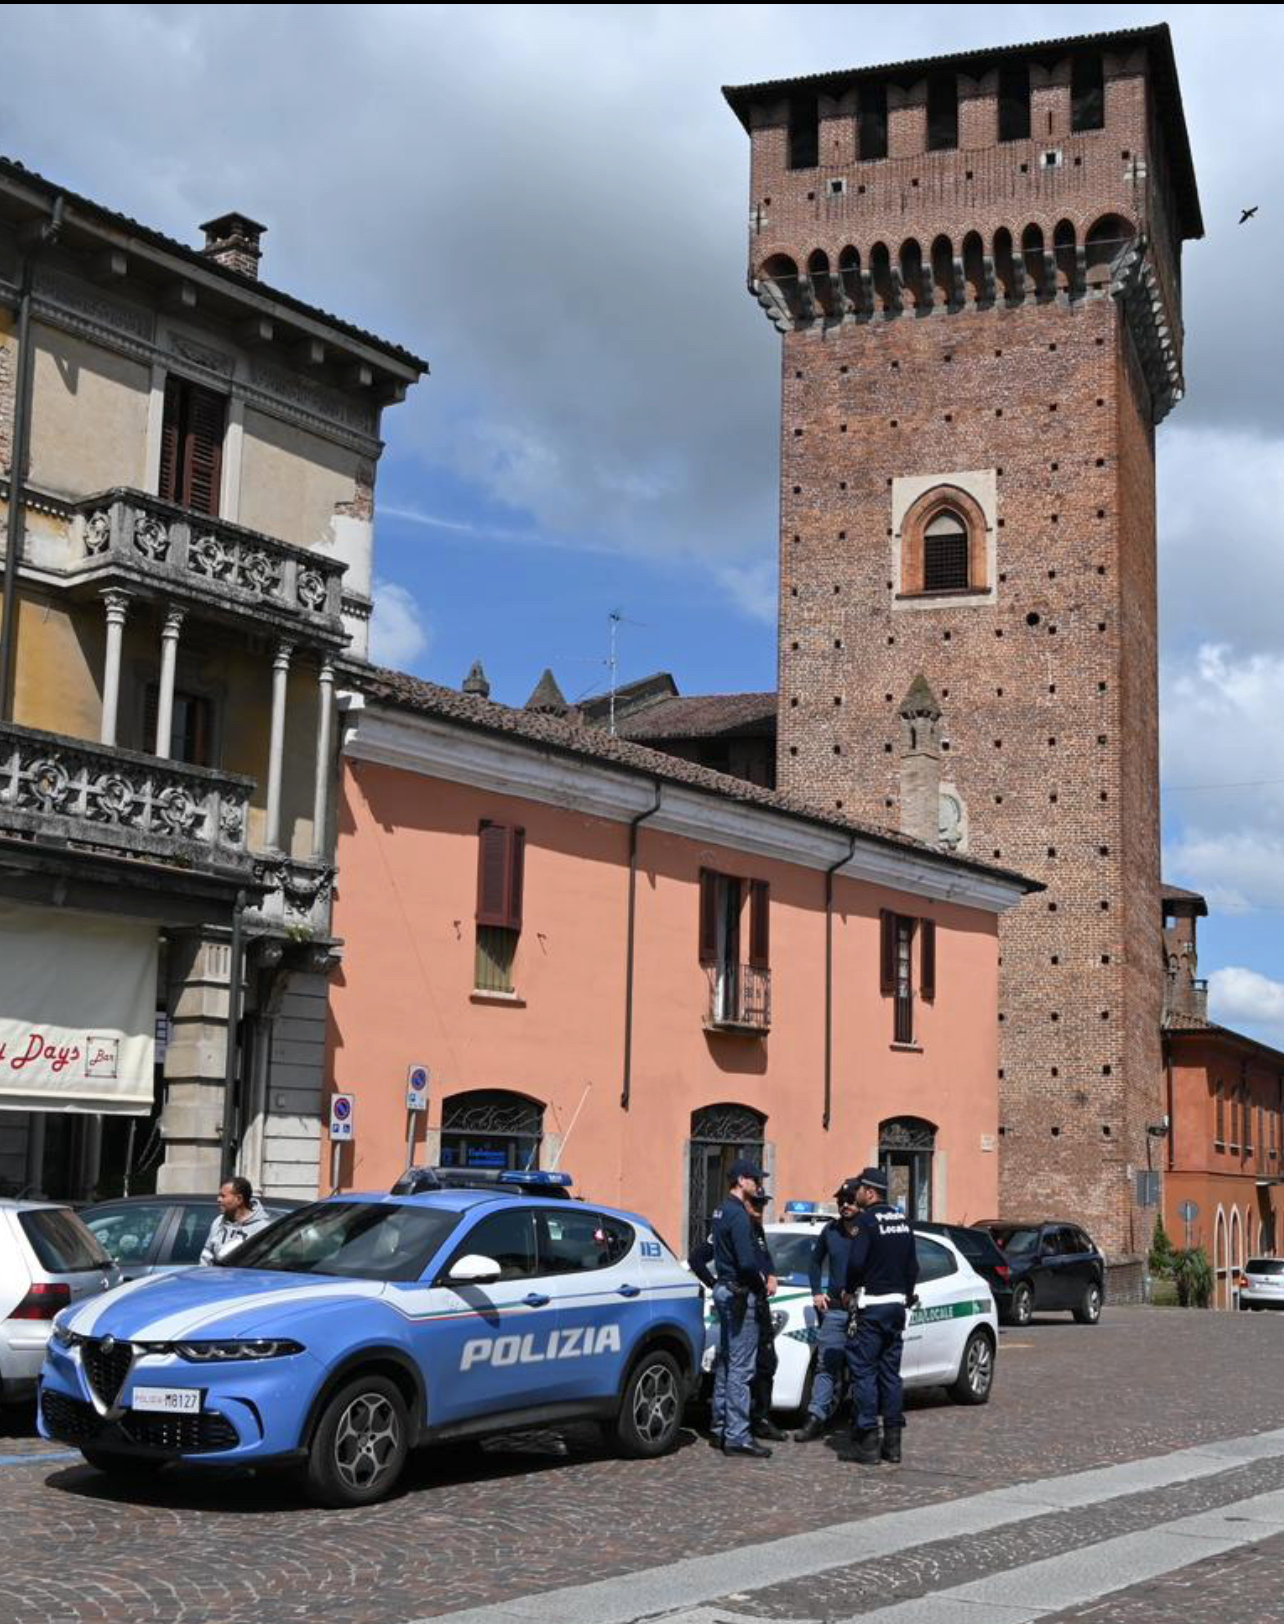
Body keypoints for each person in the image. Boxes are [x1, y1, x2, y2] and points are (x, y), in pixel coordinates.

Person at [840, 1166, 919, 1466]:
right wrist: (907, 1294)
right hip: (897, 1306)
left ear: (870, 1192)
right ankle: (894, 1444)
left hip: (872, 1305)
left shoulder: (868, 1221)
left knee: (864, 1372)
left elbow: (856, 1262)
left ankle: (869, 1441)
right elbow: (913, 1266)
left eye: (859, 1188)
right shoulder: (902, 1221)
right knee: (890, 1375)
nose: (855, 1193)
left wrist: (848, 1290)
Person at [710, 1160, 775, 1458]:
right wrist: (760, 1284)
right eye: (753, 1179)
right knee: (741, 1368)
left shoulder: (721, 1209)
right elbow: (748, 1262)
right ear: (739, 1180)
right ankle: (737, 1435)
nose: (758, 1184)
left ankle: (720, 1426)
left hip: (724, 1287)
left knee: (727, 1361)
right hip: (739, 1291)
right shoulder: (738, 1215)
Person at [793, 1181, 862, 1442]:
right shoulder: (830, 1230)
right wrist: (816, 1291)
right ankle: (816, 1418)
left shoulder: (869, 1230)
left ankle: (861, 1420)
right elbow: (813, 1261)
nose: (845, 1205)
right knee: (826, 1364)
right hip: (834, 1309)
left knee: (862, 1367)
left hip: (863, 1310)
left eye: (850, 1200)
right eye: (841, 1200)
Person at [745, 1187, 786, 1442]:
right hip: (745, 1301)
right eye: (755, 1203)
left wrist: (771, 1274)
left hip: (761, 1303)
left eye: (763, 1204)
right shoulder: (738, 1227)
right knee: (742, 1368)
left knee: (767, 1362)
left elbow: (765, 1258)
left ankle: (760, 1417)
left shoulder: (757, 1229)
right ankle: (738, 1421)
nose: (760, 1209)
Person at [200, 1176, 272, 1265]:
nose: (218, 1199)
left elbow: (267, 1263)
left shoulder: (263, 1229)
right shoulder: (218, 1222)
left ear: (239, 1199)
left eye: (223, 1196)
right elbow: (207, 1256)